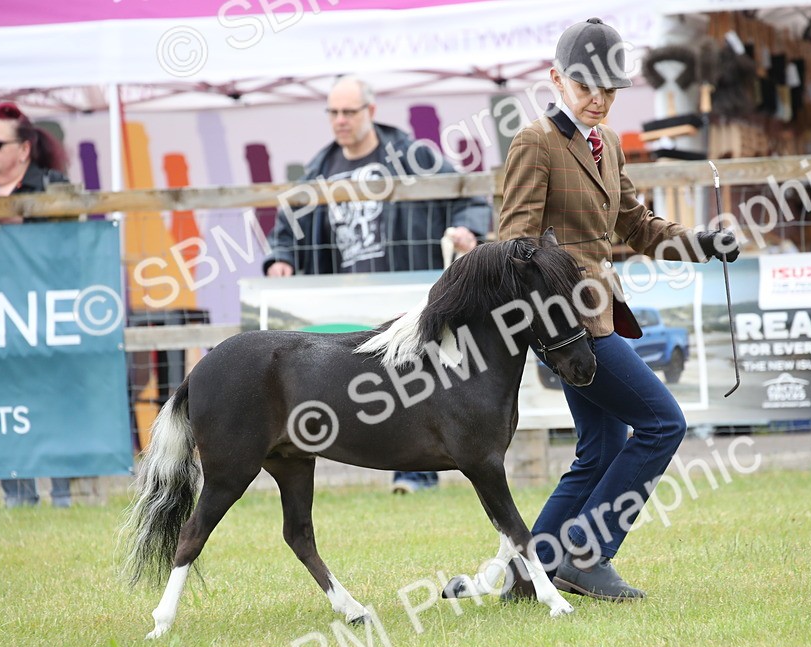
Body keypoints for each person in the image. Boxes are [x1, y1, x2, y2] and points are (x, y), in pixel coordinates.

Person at [497, 18, 739, 600]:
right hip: (567, 328)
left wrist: (703, 243)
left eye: (610, 89)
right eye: (587, 87)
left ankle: (531, 573)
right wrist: (552, 322)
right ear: (556, 80)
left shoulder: (607, 148)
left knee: (601, 448)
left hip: (601, 317)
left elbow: (637, 225)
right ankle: (587, 552)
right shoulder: (536, 142)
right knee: (664, 423)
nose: (600, 99)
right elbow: (514, 245)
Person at [263, 76, 491, 494]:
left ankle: (416, 473)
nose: (340, 120)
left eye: (349, 111)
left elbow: (469, 194)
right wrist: (280, 258)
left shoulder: (411, 156)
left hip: (406, 291)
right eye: (333, 112)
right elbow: (287, 225)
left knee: (414, 381)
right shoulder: (318, 169)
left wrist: (467, 229)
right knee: (361, 387)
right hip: (343, 296)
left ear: (371, 111)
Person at [0, 101, 75, 508]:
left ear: (24, 149)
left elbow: (74, 242)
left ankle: (62, 497)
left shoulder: (54, 187)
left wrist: (22, 225)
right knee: (4, 405)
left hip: (48, 318)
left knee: (52, 403)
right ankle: (17, 496)